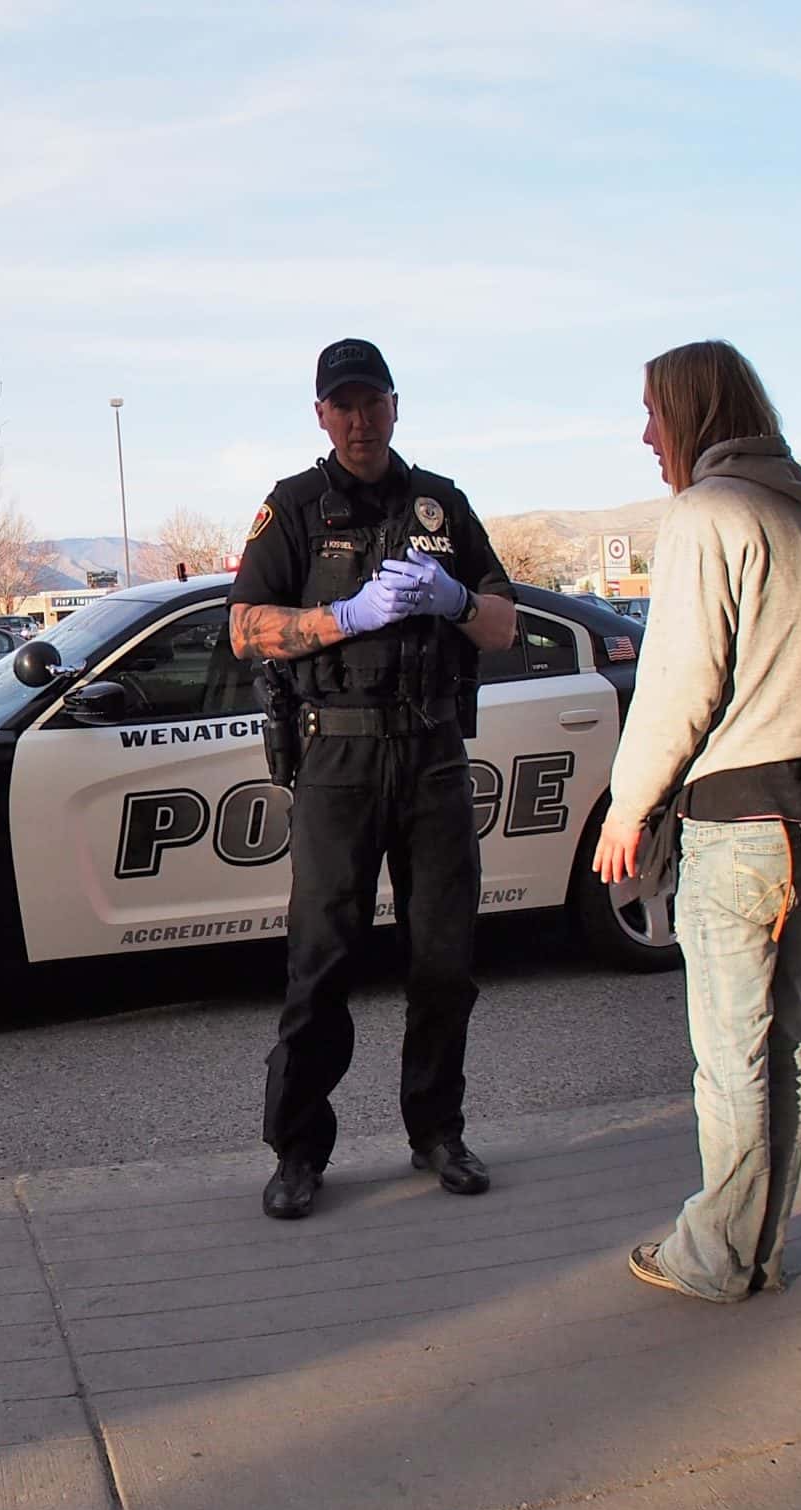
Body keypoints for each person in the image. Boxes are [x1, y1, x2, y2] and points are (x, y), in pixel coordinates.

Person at [228, 338, 518, 1221]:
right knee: (322, 963)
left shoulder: (444, 506)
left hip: (431, 753)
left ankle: (437, 1132)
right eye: (342, 404)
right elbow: (243, 628)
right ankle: (298, 1151)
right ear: (321, 414)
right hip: (338, 757)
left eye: (373, 401)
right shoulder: (297, 508)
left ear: (396, 405)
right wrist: (339, 617)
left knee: (444, 959)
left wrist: (456, 602)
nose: (360, 419)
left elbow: (504, 627)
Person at [594, 340, 801, 1304]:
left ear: (693, 411)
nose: (646, 433)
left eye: (654, 411)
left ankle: (717, 1257)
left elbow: (680, 686)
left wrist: (627, 806)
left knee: (729, 1058)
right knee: (782, 1046)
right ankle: (757, 1246)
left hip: (737, 825)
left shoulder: (706, 515)